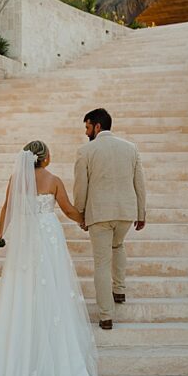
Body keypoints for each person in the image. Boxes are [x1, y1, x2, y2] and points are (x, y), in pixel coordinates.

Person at [0, 141, 102, 376]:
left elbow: (7, 208)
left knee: (23, 289)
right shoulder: (54, 180)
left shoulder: (16, 179)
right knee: (52, 290)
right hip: (48, 238)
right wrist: (86, 220)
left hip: (25, 238)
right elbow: (68, 210)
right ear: (45, 158)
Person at [73, 107, 147, 330]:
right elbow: (140, 184)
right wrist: (141, 213)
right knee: (118, 245)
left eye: (87, 127)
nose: (86, 132)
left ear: (97, 126)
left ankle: (106, 315)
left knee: (101, 263)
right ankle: (120, 290)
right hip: (126, 212)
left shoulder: (85, 151)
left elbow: (80, 188)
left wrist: (80, 214)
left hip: (100, 214)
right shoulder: (131, 149)